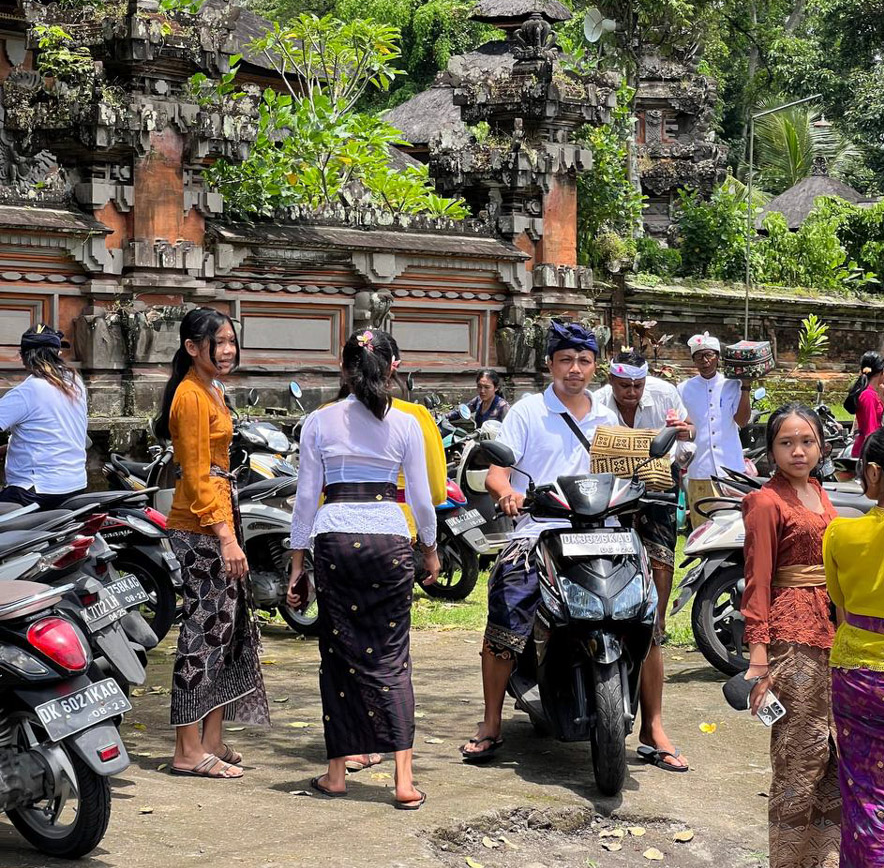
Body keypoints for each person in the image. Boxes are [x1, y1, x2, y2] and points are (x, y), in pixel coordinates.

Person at [287, 328, 440, 809]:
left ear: (343, 368)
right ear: (393, 368)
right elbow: (421, 499)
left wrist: (297, 564)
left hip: (335, 542)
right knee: (392, 658)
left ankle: (337, 773)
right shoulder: (407, 424)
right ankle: (404, 780)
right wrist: (430, 550)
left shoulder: (319, 421)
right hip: (389, 541)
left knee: (338, 657)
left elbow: (305, 499)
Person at [459, 320, 618, 763]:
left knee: (641, 612)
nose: (575, 368)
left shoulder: (608, 419)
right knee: (508, 608)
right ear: (550, 364)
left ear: (595, 366)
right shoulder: (527, 411)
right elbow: (497, 474)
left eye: (584, 360)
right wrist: (506, 493)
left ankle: (653, 727)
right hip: (538, 533)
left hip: (600, 535)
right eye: (566, 360)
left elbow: (623, 474)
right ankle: (491, 721)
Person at [159, 308, 269, 780]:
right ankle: (187, 749)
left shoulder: (213, 389)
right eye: (217, 343)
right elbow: (196, 474)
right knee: (203, 632)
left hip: (222, 515)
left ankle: (212, 738)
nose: (227, 351)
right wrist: (225, 537)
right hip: (201, 527)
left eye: (230, 341)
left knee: (226, 629)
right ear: (191, 348)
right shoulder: (189, 396)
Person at [742, 403, 840, 868]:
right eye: (786, 442)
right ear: (771, 449)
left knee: (828, 756)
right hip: (789, 637)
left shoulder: (820, 493)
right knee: (797, 758)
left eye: (807, 441)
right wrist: (758, 662)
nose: (798, 451)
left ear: (821, 445)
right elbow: (756, 581)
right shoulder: (765, 502)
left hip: (830, 633)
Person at [596, 349, 694, 771]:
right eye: (624, 386)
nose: (632, 393)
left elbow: (688, 433)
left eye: (637, 385)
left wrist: (681, 433)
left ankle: (658, 620)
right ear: (611, 381)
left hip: (657, 489)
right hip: (610, 494)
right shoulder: (597, 403)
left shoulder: (665, 393)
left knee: (659, 557)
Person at [823, 425, 884, 868]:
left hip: (861, 679)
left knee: (870, 801)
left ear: (873, 474)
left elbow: (841, 603)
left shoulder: (842, 533)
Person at [0, 324, 88, 509]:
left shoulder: (27, 391)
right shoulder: (75, 383)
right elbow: (51, 434)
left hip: (36, 490)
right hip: (75, 486)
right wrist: (9, 448)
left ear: (23, 357)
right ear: (58, 354)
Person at [678, 332, 752, 529]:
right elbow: (681, 424)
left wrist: (746, 388)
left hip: (730, 467)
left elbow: (742, 421)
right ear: (693, 360)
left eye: (709, 355)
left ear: (718, 357)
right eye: (699, 356)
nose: (705, 361)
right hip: (700, 469)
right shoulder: (683, 389)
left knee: (734, 525)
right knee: (703, 526)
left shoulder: (732, 384)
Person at [849, 352, 884, 456]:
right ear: (883, 371)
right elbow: (870, 430)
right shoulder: (868, 395)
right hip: (867, 451)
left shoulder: (870, 393)